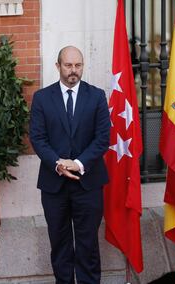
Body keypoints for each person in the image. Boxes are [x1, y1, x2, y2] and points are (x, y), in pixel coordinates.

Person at [29, 46, 110, 283]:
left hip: (89, 185)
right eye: (68, 65)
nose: (73, 71)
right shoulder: (42, 98)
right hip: (54, 186)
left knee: (88, 246)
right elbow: (38, 138)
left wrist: (77, 163)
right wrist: (58, 163)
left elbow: (102, 138)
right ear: (58, 66)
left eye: (78, 65)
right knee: (60, 244)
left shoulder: (96, 96)